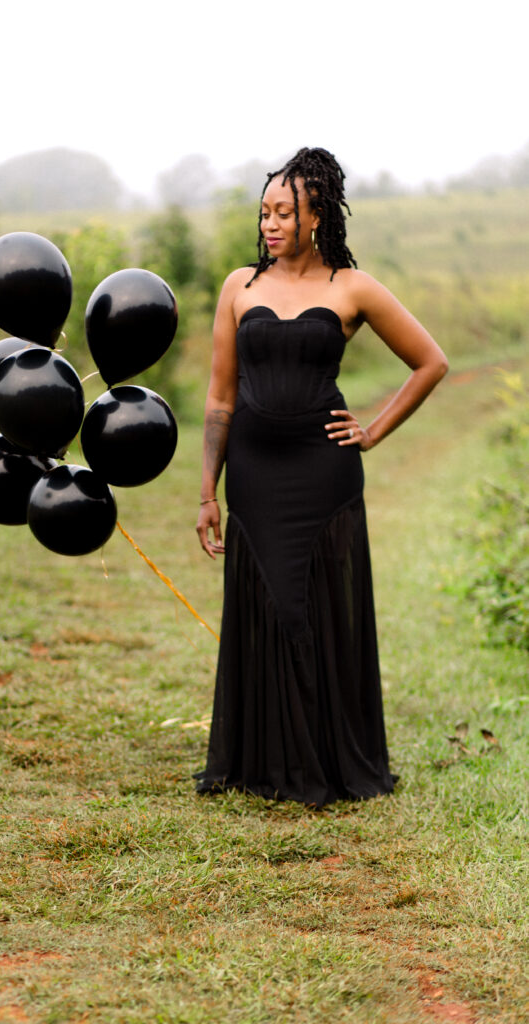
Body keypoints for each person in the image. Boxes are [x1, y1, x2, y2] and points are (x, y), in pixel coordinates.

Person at [194, 147, 448, 807]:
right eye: (265, 212)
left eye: (285, 212)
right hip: (251, 472)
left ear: (316, 218)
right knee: (267, 602)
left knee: (316, 609)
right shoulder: (237, 287)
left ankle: (329, 762)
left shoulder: (350, 288)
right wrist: (205, 493)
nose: (270, 224)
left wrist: (371, 431)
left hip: (323, 473)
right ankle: (263, 762)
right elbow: (220, 397)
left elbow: (429, 362)